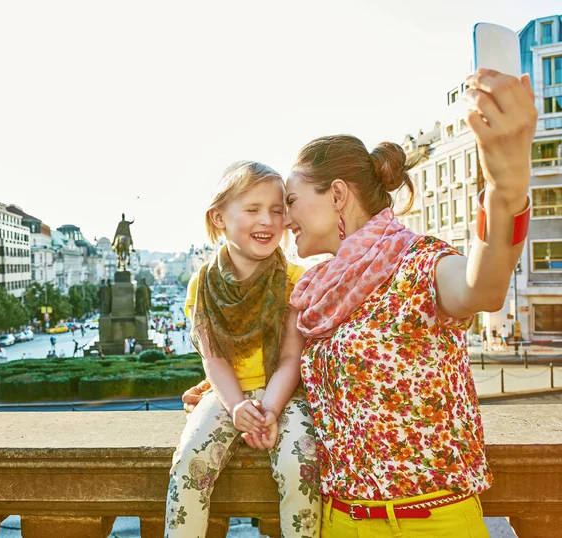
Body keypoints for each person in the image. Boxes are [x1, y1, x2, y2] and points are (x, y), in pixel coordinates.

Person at [184, 69, 535, 537]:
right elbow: (294, 369)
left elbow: (483, 289)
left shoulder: (416, 260)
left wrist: (505, 188)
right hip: (342, 521)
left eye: (290, 200)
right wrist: (227, 393)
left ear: (337, 194)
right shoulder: (313, 292)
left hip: (434, 521)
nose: (284, 219)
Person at [164, 161, 321, 537]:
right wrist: (236, 407)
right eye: (252, 209)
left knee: (300, 466)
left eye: (277, 210)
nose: (267, 220)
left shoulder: (296, 280)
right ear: (218, 216)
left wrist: (267, 411)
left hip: (283, 394)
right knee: (188, 463)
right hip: (225, 394)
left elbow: (290, 359)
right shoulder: (201, 284)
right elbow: (213, 358)